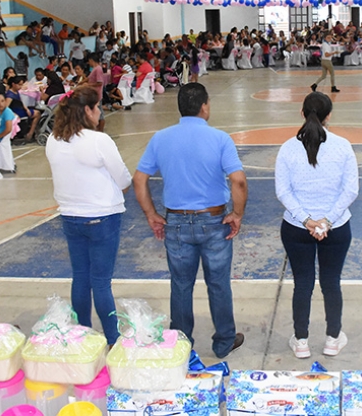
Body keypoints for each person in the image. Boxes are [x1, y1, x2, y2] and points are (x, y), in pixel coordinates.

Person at [132, 83, 247, 358]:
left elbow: (139, 180)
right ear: (204, 106)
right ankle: (224, 341)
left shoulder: (160, 138)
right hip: (214, 220)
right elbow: (239, 181)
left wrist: (151, 214)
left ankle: (181, 343)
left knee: (181, 284)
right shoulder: (220, 139)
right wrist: (237, 214)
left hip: (176, 223)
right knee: (218, 283)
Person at [45, 85, 131, 346]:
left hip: (70, 216)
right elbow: (124, 179)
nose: (99, 112)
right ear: (86, 110)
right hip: (102, 216)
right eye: (96, 108)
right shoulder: (98, 141)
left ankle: (83, 334)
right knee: (101, 282)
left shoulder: (53, 140)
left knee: (80, 277)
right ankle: (112, 338)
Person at [275, 92, 358, 359]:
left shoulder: (288, 148)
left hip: (297, 229)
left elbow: (283, 191)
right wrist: (327, 221)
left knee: (303, 284)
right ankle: (333, 338)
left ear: (302, 113)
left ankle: (301, 341)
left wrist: (306, 220)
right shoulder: (343, 146)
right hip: (336, 229)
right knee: (331, 282)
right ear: (329, 115)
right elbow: (350, 190)